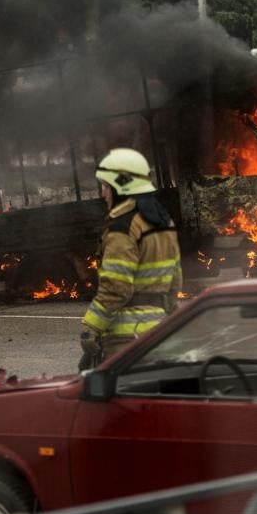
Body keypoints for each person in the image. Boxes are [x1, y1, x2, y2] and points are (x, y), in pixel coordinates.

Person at [78, 148, 183, 371]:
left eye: (105, 186)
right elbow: (175, 280)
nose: (103, 194)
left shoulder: (123, 228)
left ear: (120, 186)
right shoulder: (163, 222)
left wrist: (91, 328)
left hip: (127, 340)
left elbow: (116, 289)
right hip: (160, 331)